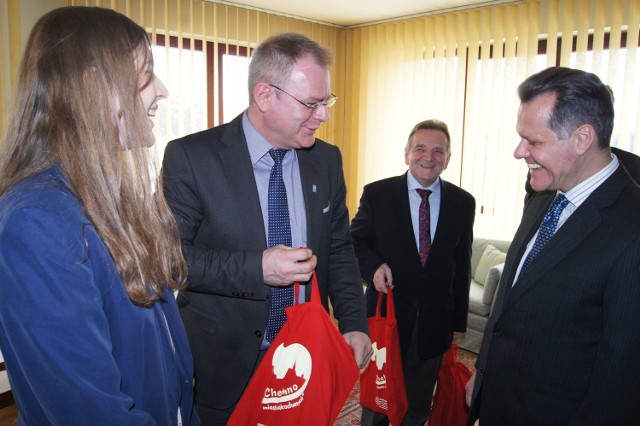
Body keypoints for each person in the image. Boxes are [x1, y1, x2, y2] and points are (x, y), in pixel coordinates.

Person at [0, 6, 198, 425]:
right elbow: (88, 412)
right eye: (146, 74)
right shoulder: (36, 222)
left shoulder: (108, 200)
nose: (160, 91)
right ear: (96, 86)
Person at [162, 32, 372, 424]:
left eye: (326, 102)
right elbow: (173, 262)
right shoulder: (191, 157)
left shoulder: (326, 160)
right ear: (264, 96)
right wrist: (257, 268)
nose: (323, 115)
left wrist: (355, 324)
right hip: (222, 363)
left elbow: (339, 249)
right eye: (311, 103)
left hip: (304, 355)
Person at [466, 67, 640, 425]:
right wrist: (483, 374)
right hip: (500, 401)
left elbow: (620, 377)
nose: (519, 152)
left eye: (533, 141)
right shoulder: (545, 193)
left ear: (581, 139)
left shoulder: (632, 225)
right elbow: (510, 302)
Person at [350, 119, 475, 425]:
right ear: (406, 153)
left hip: (435, 322)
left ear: (447, 158)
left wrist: (458, 320)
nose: (428, 157)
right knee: (378, 402)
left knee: (418, 405)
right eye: (420, 148)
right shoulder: (378, 194)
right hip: (387, 317)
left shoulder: (463, 203)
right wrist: (373, 266)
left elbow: (463, 263)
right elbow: (354, 242)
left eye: (438, 150)